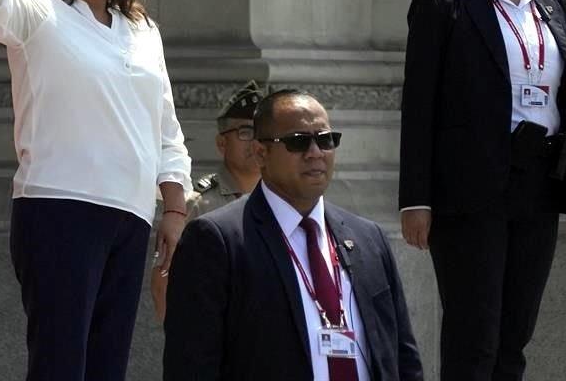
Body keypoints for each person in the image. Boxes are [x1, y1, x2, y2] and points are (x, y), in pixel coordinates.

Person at [0, 0, 192, 381]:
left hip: (130, 217)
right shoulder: (39, 7)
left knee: (107, 367)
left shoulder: (144, 31)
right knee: (60, 365)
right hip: (59, 210)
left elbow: (165, 128)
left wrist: (175, 210)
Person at [399, 0, 566, 381]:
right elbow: (419, 105)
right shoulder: (442, 1)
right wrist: (416, 199)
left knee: (515, 336)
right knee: (475, 337)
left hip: (538, 182)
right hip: (471, 188)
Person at [164, 89, 424, 381]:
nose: (315, 152)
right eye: (298, 141)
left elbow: (404, 358)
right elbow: (191, 364)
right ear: (261, 153)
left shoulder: (369, 239)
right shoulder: (218, 240)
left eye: (325, 140)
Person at [149, 79, 264, 321]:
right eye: (245, 132)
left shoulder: (280, 203)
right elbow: (163, 282)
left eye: (261, 133)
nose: (255, 142)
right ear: (222, 143)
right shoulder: (196, 205)